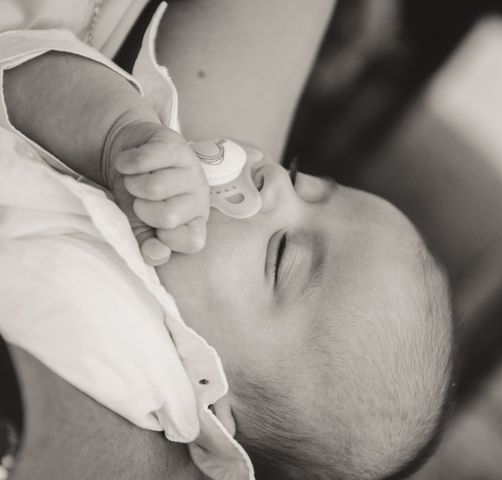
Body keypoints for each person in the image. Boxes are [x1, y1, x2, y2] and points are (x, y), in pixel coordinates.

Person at [0, 1, 455, 478]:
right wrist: (114, 132)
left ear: (214, 406)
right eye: (300, 180)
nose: (272, 182)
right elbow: (18, 68)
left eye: (282, 255)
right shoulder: (153, 152)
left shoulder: (133, 382)